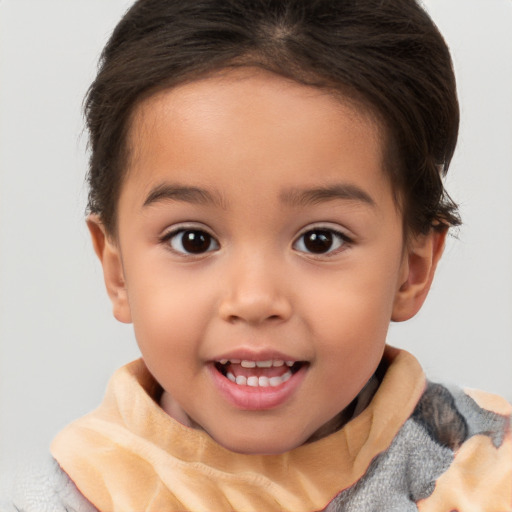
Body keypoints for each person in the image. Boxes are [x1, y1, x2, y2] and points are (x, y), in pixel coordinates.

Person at [2, 0, 510, 510]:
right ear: (117, 271)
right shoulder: (72, 494)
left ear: (412, 269)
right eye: (193, 240)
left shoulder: (485, 468)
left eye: (319, 240)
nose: (254, 299)